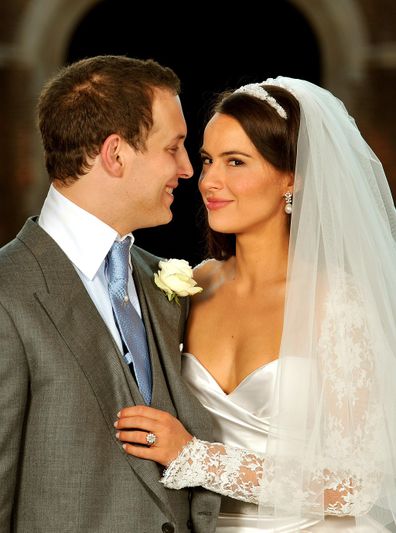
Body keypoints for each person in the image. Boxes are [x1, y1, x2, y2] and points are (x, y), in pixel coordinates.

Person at [115, 77, 396, 531]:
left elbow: (357, 483)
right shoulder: (193, 283)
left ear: (292, 177)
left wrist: (195, 457)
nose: (209, 181)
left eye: (236, 162)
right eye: (207, 160)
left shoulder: (337, 301)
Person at [0, 55, 221, 532]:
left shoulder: (163, 281)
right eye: (175, 147)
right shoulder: (6, 292)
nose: (187, 169)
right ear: (115, 154)